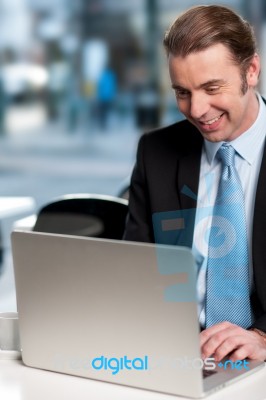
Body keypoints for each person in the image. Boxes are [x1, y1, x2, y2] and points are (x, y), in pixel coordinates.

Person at [123, 5, 266, 362]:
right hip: (175, 352)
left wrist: (263, 339)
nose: (197, 109)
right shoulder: (156, 152)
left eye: (211, 87)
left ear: (251, 71)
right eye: (182, 92)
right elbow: (135, 272)